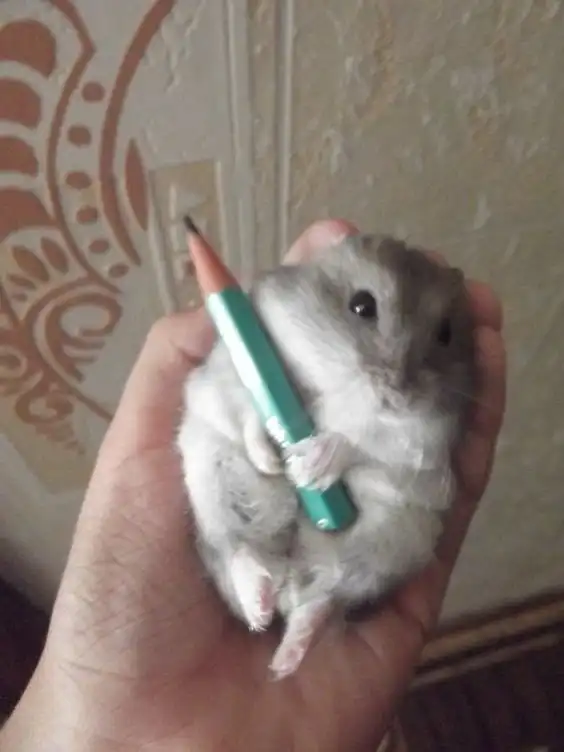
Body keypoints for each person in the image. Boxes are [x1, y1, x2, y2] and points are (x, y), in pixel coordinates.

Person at [0, 220, 506, 751]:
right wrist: (248, 423)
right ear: (318, 282)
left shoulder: (437, 409)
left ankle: (320, 598)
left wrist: (350, 452)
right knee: (204, 447)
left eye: (440, 338)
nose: (398, 374)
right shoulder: (277, 317)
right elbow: (217, 392)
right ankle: (241, 560)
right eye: (364, 308)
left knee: (407, 529)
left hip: (352, 521)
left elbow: (411, 472)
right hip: (244, 506)